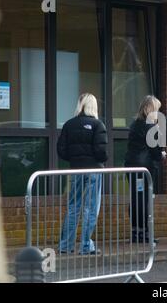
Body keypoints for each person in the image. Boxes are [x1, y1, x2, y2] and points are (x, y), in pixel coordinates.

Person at [57, 93, 108, 255]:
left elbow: (61, 150)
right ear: (94, 106)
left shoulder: (69, 125)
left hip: (76, 169)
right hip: (94, 170)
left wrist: (74, 159)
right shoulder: (98, 124)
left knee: (73, 207)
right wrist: (101, 159)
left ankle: (65, 245)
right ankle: (86, 246)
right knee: (91, 208)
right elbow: (101, 151)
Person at [124, 95, 166, 243]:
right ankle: (145, 234)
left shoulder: (134, 124)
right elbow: (155, 151)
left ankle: (136, 232)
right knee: (144, 200)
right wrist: (161, 154)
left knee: (135, 199)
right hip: (145, 167)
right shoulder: (152, 127)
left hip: (131, 165)